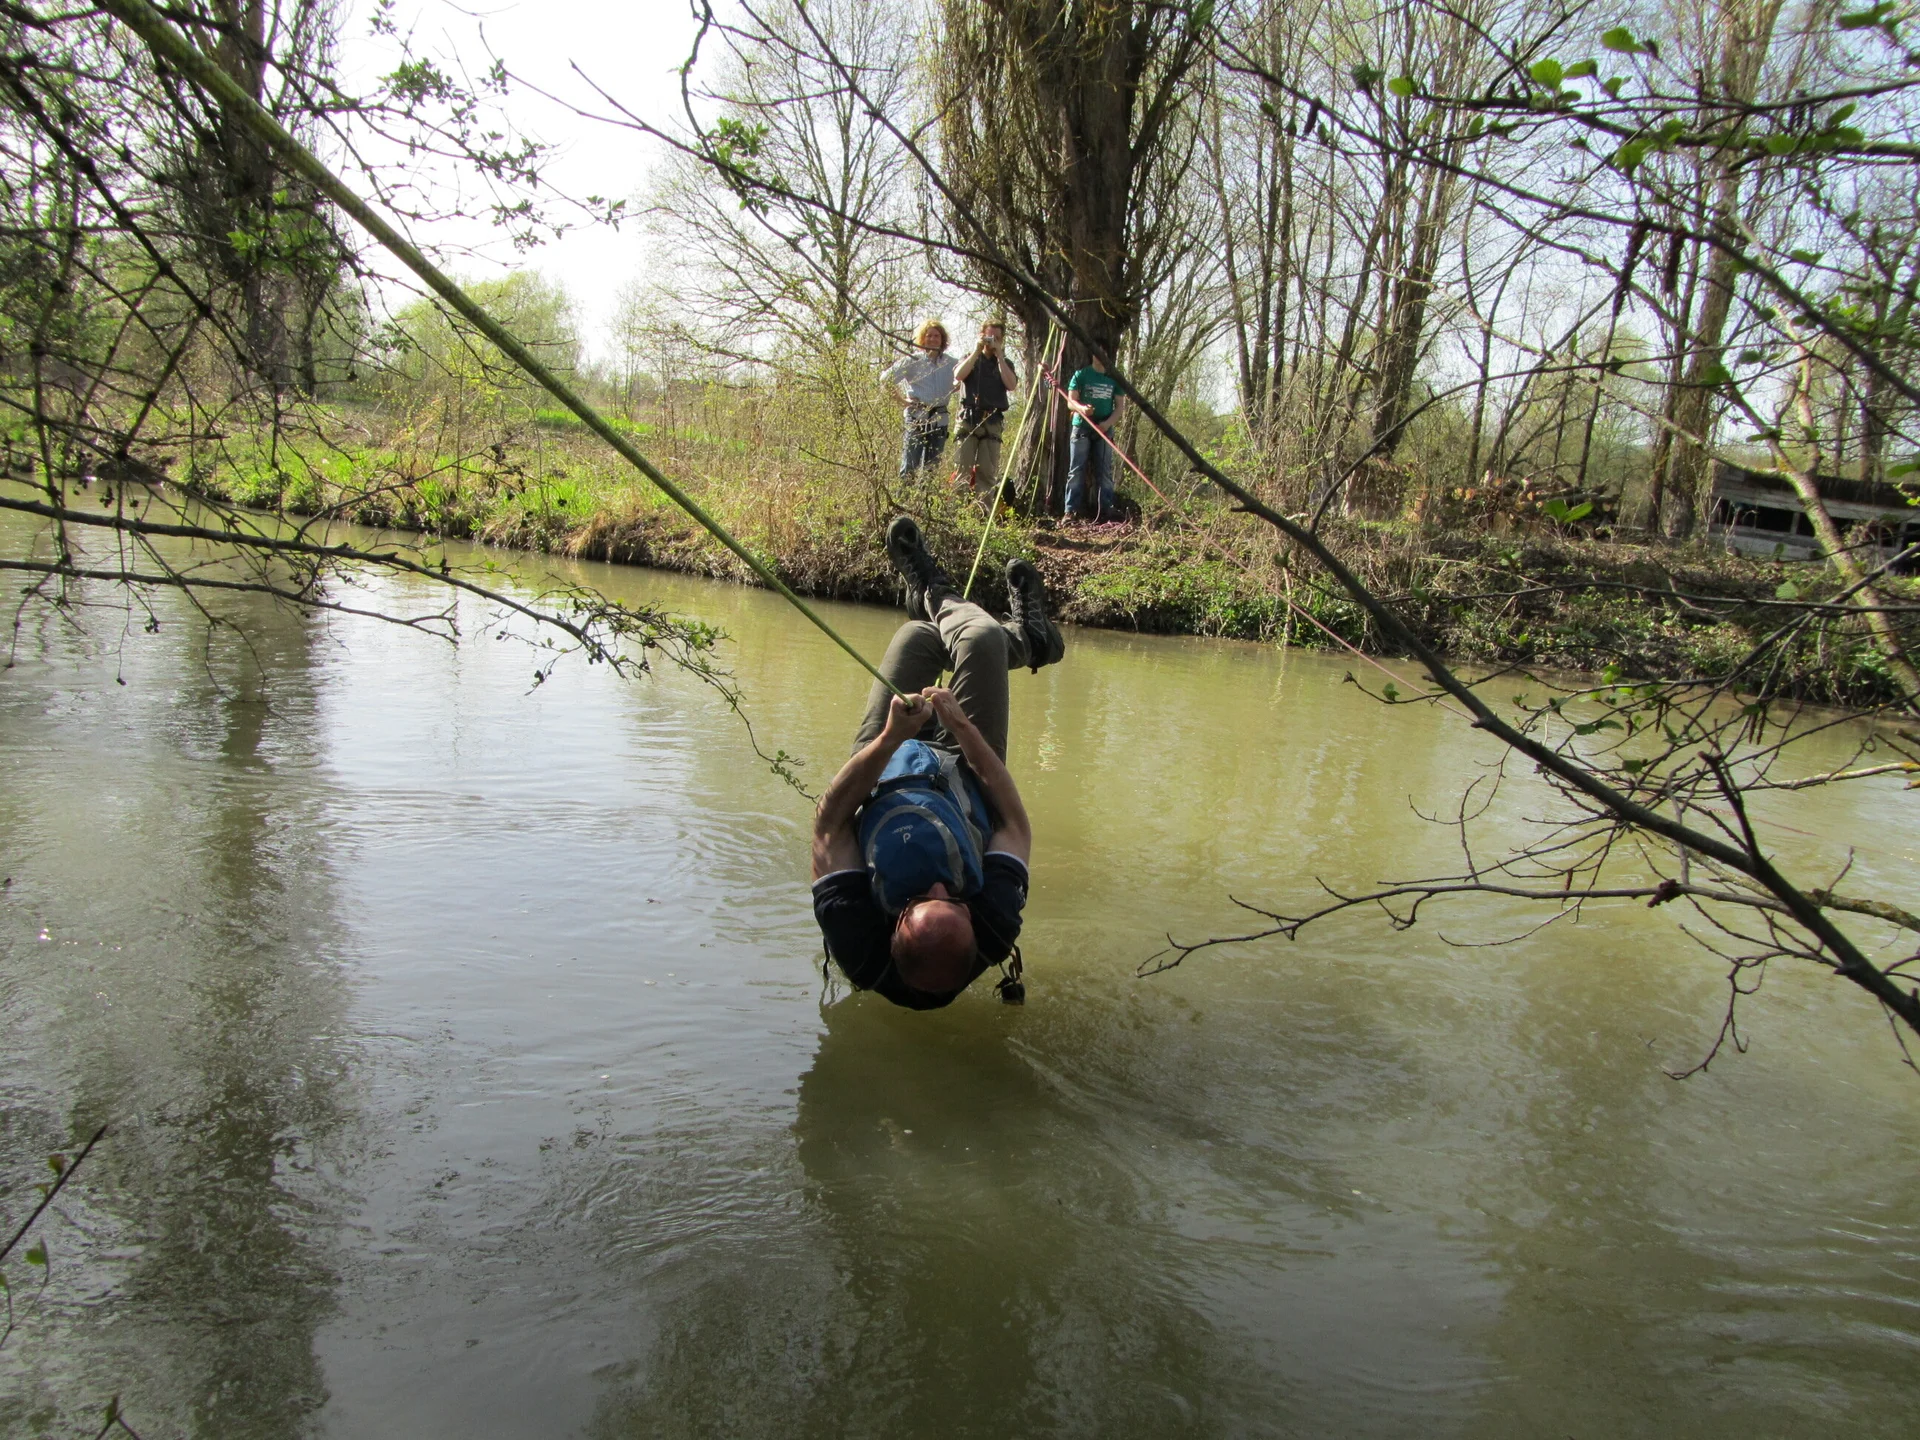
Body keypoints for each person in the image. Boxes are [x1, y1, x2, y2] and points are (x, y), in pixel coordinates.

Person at [811, 516, 1066, 1009]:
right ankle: (953, 600)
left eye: (921, 899)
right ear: (971, 919)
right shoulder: (994, 921)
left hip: (881, 775)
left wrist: (888, 740)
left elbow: (828, 822)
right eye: (953, 899)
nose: (938, 885)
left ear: (895, 926)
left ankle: (1006, 629)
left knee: (918, 638)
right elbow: (1014, 821)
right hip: (963, 776)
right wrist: (963, 728)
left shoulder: (855, 936)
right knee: (982, 639)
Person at [881, 321, 959, 480]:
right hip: (916, 417)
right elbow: (886, 379)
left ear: (942, 339)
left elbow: (964, 379)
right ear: (922, 339)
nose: (932, 339)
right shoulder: (912, 360)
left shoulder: (951, 363)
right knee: (909, 467)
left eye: (936, 336)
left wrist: (955, 387)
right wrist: (902, 400)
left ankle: (927, 504)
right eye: (929, 335)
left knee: (932, 470)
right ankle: (903, 503)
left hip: (939, 419)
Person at [951, 321, 1018, 497]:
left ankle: (983, 515)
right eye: (989, 337)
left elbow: (1011, 385)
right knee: (962, 472)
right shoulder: (969, 357)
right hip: (968, 419)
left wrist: (1000, 357)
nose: (991, 342)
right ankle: (957, 517)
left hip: (993, 421)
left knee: (987, 475)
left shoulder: (1005, 363)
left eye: (996, 338)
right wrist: (976, 351)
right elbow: (958, 375)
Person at [1063, 352, 1121, 522]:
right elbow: (1070, 401)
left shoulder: (1114, 377)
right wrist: (1082, 409)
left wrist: (1107, 424)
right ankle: (1070, 511)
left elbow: (1119, 407)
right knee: (1076, 470)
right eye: (1095, 351)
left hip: (1104, 429)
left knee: (1105, 471)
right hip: (1081, 427)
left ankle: (1107, 509)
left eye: (1103, 352)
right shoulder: (1081, 374)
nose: (1098, 356)